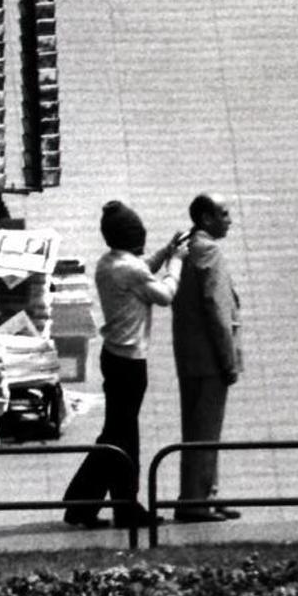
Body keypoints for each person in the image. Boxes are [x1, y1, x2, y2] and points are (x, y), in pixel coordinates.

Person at [63, 200, 185, 529]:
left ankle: (104, 504)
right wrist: (176, 263)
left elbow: (142, 266)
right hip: (130, 363)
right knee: (121, 438)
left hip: (113, 356)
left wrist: (164, 251)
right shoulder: (129, 269)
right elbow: (164, 294)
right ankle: (97, 505)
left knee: (119, 434)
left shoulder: (110, 262)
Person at [171, 193, 242, 522]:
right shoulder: (209, 251)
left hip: (189, 356)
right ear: (205, 218)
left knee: (197, 429)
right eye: (223, 214)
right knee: (205, 432)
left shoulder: (188, 247)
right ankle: (196, 501)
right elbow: (217, 309)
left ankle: (206, 494)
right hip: (209, 359)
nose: (229, 219)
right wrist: (228, 360)